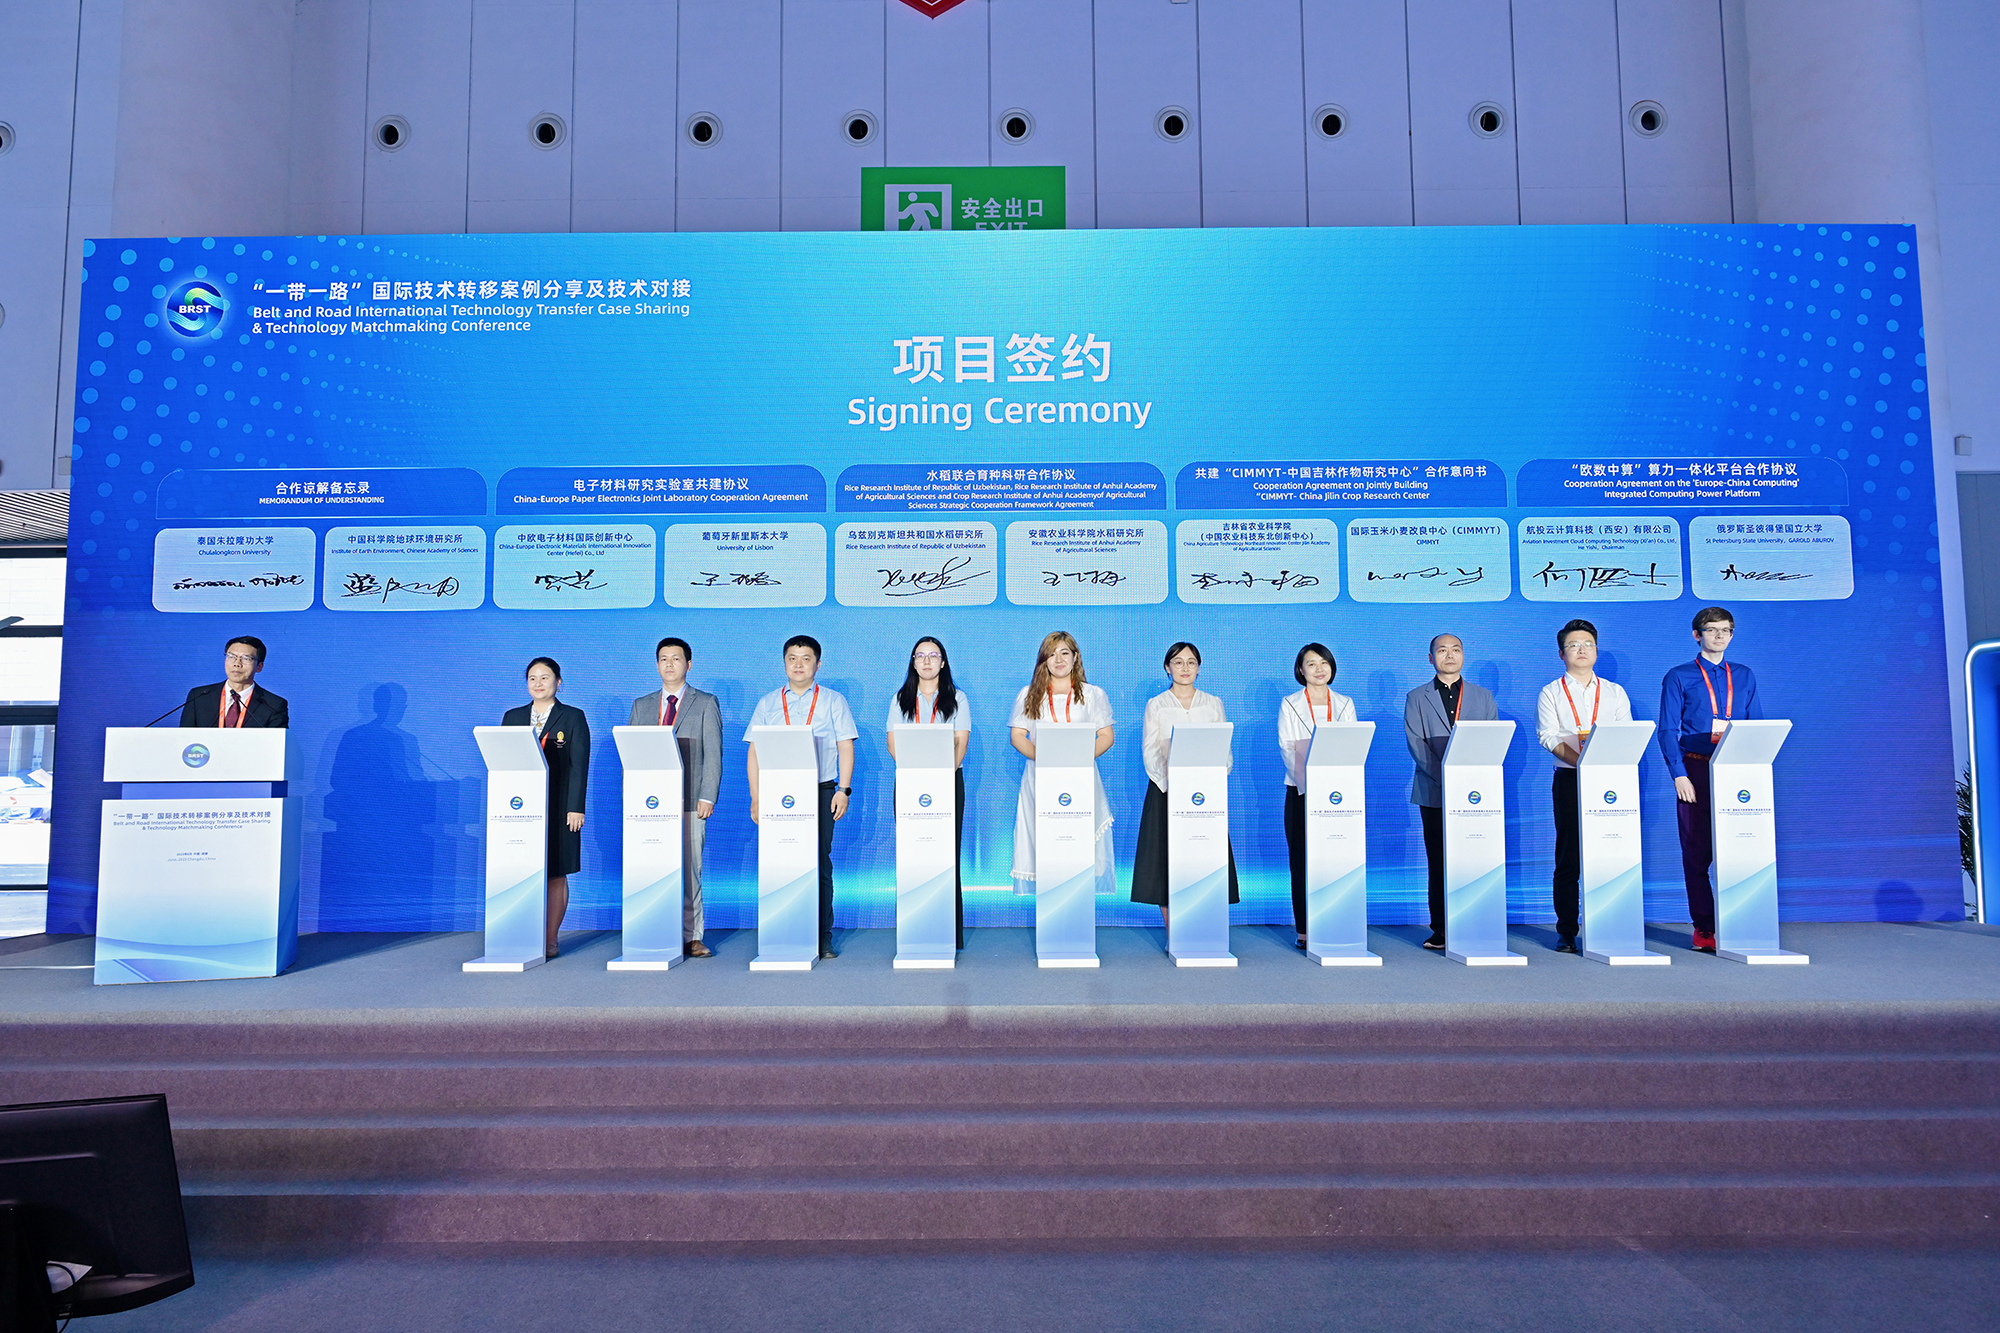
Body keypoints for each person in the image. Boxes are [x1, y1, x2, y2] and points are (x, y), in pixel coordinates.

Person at [1657, 606, 1763, 954]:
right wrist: (1679, 774)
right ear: (1697, 635)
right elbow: (1668, 730)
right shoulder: (1679, 676)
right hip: (1696, 770)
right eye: (1712, 629)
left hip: (1736, 773)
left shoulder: (1744, 675)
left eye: (1726, 630)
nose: (1719, 636)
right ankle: (1704, 927)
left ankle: (1741, 922)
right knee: (1697, 853)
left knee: (1741, 848)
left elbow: (1755, 726)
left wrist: (1754, 772)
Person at [746, 635, 858, 960]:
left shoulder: (833, 701)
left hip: (820, 791)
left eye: (806, 658)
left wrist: (843, 790)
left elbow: (845, 746)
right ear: (784, 663)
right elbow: (754, 752)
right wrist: (756, 797)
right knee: (780, 862)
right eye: (792, 658)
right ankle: (781, 931)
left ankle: (822, 936)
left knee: (820, 863)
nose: (798, 664)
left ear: (818, 664)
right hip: (778, 794)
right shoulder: (768, 703)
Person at [1535, 618, 1634, 954]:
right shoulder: (1551, 692)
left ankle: (1610, 925)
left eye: (1588, 644)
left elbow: (1625, 734)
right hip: (1569, 779)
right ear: (1561, 653)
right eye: (1574, 645)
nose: (1582, 650)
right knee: (1569, 856)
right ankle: (1567, 931)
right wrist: (1583, 762)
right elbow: (1548, 736)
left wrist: (1600, 766)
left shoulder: (1614, 692)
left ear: (1596, 650)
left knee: (1610, 851)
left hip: (1609, 782)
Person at [1130, 642, 1238, 936]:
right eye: (1178, 662)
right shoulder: (1157, 704)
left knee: (1205, 856)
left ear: (1199, 668)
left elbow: (1224, 750)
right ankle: (1175, 933)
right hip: (1166, 792)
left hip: (1205, 795)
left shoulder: (1212, 703)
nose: (1185, 668)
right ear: (1168, 667)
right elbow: (1150, 751)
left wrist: (1211, 780)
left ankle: (1206, 928)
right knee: (1165, 860)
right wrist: (1172, 784)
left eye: (1191, 662)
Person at [628, 636, 723, 959]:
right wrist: (630, 798)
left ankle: (691, 936)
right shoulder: (641, 705)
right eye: (664, 659)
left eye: (676, 658)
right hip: (649, 804)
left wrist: (707, 796)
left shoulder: (705, 702)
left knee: (689, 870)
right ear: (657, 665)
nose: (669, 664)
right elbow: (631, 755)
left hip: (690, 800)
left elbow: (713, 754)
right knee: (651, 867)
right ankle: (653, 929)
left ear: (689, 664)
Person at [1404, 633, 1498, 952]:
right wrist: (1448, 778)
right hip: (1434, 790)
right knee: (1439, 860)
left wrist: (1467, 782)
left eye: (1456, 649)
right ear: (1431, 658)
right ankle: (1441, 928)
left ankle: (1475, 922)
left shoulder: (1483, 697)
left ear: (1463, 656)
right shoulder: (1417, 697)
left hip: (1475, 794)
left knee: (1473, 857)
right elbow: (1417, 743)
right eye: (1442, 650)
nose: (1450, 655)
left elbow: (1490, 741)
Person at [1008, 630, 1117, 896]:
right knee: (1048, 842)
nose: (1059, 660)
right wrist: (1047, 758)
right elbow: (1017, 736)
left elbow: (1106, 736)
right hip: (1040, 777)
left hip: (1081, 778)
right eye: (1052, 654)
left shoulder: (1093, 694)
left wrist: (1077, 759)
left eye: (1065, 653)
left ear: (1075, 657)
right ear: (1043, 660)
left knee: (1077, 843)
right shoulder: (1029, 694)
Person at [886, 636, 973, 949]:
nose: (926, 661)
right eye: (920, 656)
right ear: (912, 662)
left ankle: (948, 932)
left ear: (943, 662)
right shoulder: (900, 699)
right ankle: (915, 929)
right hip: (910, 783)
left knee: (946, 854)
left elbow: (960, 742)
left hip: (947, 782)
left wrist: (941, 775)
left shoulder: (957, 698)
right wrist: (916, 774)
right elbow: (893, 743)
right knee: (914, 854)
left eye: (933, 655)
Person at [501, 657, 589, 959]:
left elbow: (579, 765)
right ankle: (522, 936)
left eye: (545, 677)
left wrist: (576, 807)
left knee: (556, 873)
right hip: (520, 809)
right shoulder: (512, 717)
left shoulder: (573, 717)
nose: (538, 684)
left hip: (560, 808)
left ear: (558, 682)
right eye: (532, 678)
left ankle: (550, 938)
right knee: (522, 871)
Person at [1278, 642, 1355, 949]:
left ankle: (1336, 922)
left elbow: (1351, 744)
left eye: (1324, 663)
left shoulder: (1345, 703)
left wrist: (1335, 782)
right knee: (1301, 859)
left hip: (1338, 794)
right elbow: (1287, 747)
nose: (1319, 669)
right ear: (1301, 670)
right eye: (1311, 664)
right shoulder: (1290, 703)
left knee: (1336, 857)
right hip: (1301, 790)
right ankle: (1305, 929)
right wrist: (1311, 781)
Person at [179, 635, 288, 728]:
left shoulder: (273, 705)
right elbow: (185, 738)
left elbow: (276, 744)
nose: (237, 663)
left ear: (259, 666)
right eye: (231, 657)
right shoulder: (199, 697)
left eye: (246, 658)